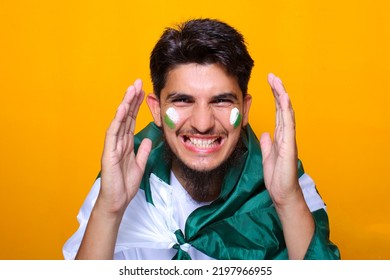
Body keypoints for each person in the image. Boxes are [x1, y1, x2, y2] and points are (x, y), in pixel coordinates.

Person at [63, 18, 340, 260]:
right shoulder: (121, 177)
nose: (202, 123)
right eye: (183, 100)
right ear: (156, 110)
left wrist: (287, 201)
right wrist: (109, 210)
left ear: (244, 110)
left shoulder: (290, 183)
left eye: (221, 101)